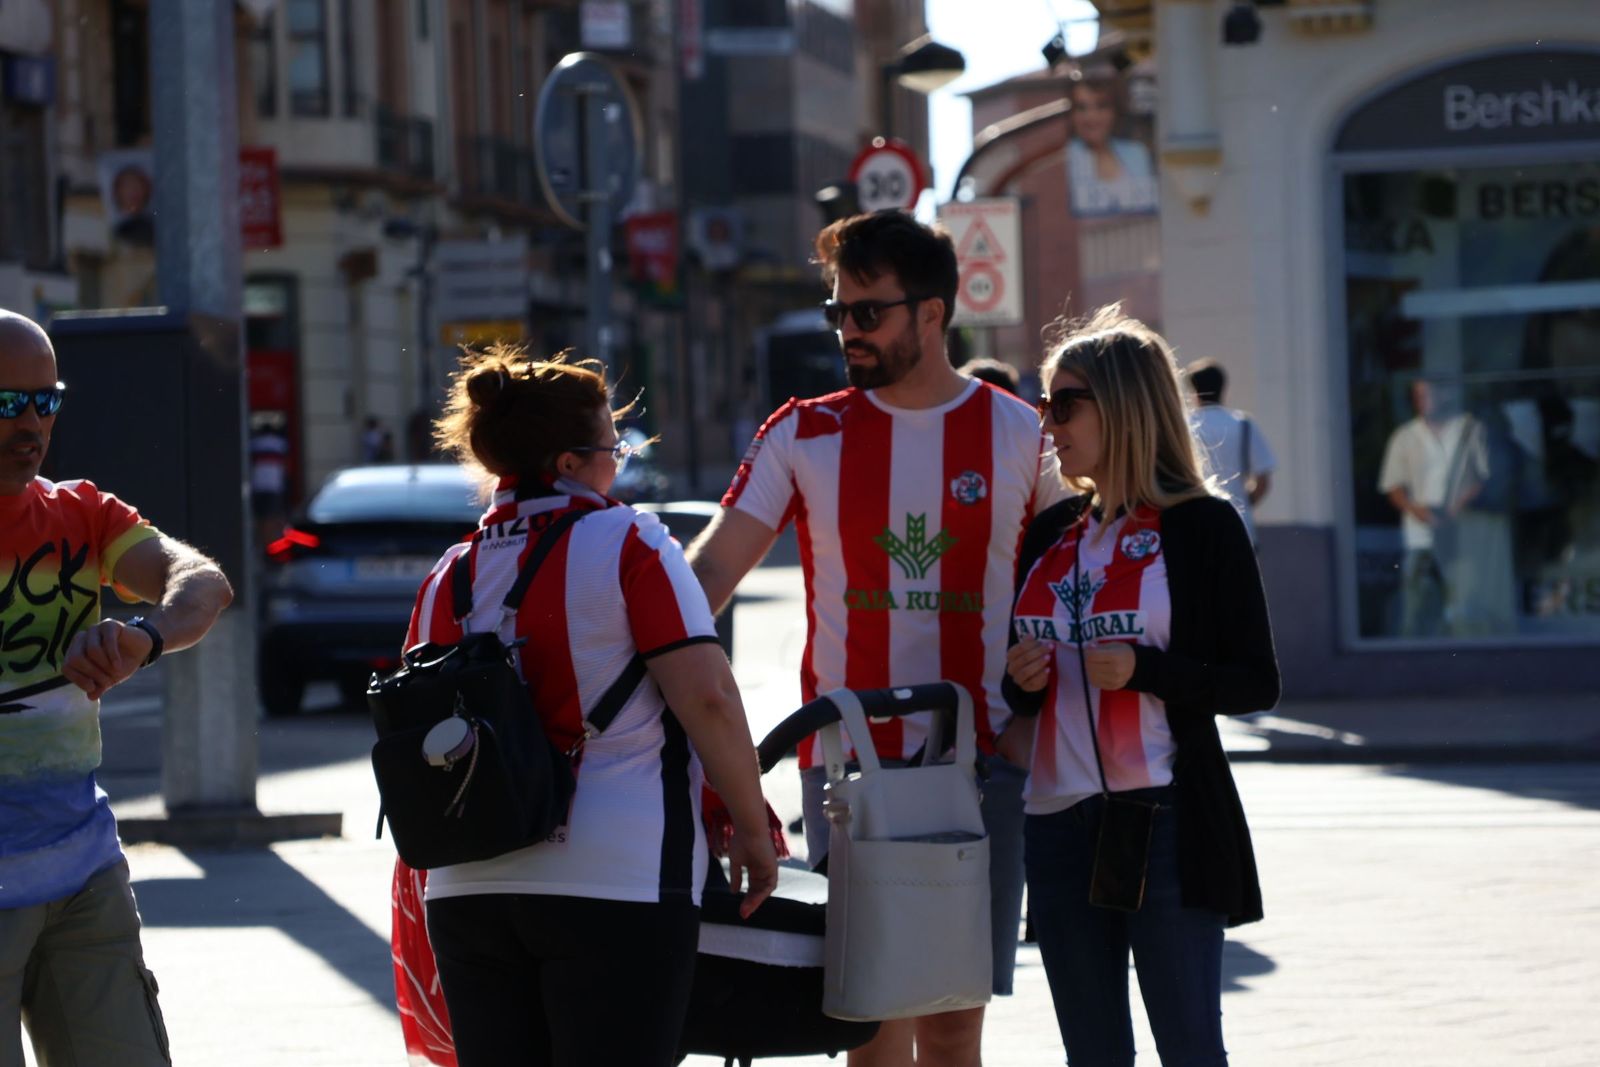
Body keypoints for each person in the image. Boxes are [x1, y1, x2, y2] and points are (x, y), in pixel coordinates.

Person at [687, 210, 1069, 1067]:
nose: (848, 333)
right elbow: (709, 577)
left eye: (869, 313)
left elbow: (1069, 582)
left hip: (981, 760)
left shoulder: (1019, 433)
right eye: (839, 313)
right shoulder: (802, 430)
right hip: (846, 767)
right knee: (868, 1013)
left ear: (932, 314)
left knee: (954, 1018)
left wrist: (1036, 717)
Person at [403, 344, 778, 1067]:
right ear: (570, 463)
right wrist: (754, 826)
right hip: (618, 876)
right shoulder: (629, 539)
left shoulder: (446, 575)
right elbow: (707, 695)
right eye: (613, 448)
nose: (620, 464)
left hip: (466, 887)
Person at [1001, 305, 1278, 1067]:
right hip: (1056, 824)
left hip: (1165, 818)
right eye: (1042, 403)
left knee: (1190, 1048)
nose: (1047, 423)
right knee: (1093, 1055)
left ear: (1123, 406)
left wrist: (1147, 671)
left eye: (1065, 404)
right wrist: (1020, 681)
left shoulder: (1203, 527)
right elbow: (1022, 688)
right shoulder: (1050, 535)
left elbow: (1257, 680)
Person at [0, 310, 235, 1065]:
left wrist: (144, 636)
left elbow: (202, 583)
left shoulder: (81, 514)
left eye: (47, 400)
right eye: (7, 404)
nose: (32, 422)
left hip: (83, 880)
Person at [1377, 380, 1485, 637]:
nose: (1423, 401)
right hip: (1418, 534)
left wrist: (1456, 509)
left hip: (1460, 529)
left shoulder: (1468, 430)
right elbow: (1393, 486)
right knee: (1414, 599)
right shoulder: (1404, 437)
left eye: (1428, 394)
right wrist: (1417, 510)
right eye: (1418, 396)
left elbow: (1482, 478)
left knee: (1464, 597)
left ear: (1443, 395)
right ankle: (1410, 650)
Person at [1186, 358, 1276, 545]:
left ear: (1194, 391)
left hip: (1195, 526)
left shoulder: (1183, 425)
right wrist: (1244, 501)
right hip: (1240, 525)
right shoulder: (1243, 424)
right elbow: (1263, 481)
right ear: (1223, 388)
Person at [1066, 75, 1157, 218]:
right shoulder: (1064, 158)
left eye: (1101, 106)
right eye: (1082, 108)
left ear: (1115, 112)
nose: (1091, 117)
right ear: (1071, 115)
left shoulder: (1137, 154)